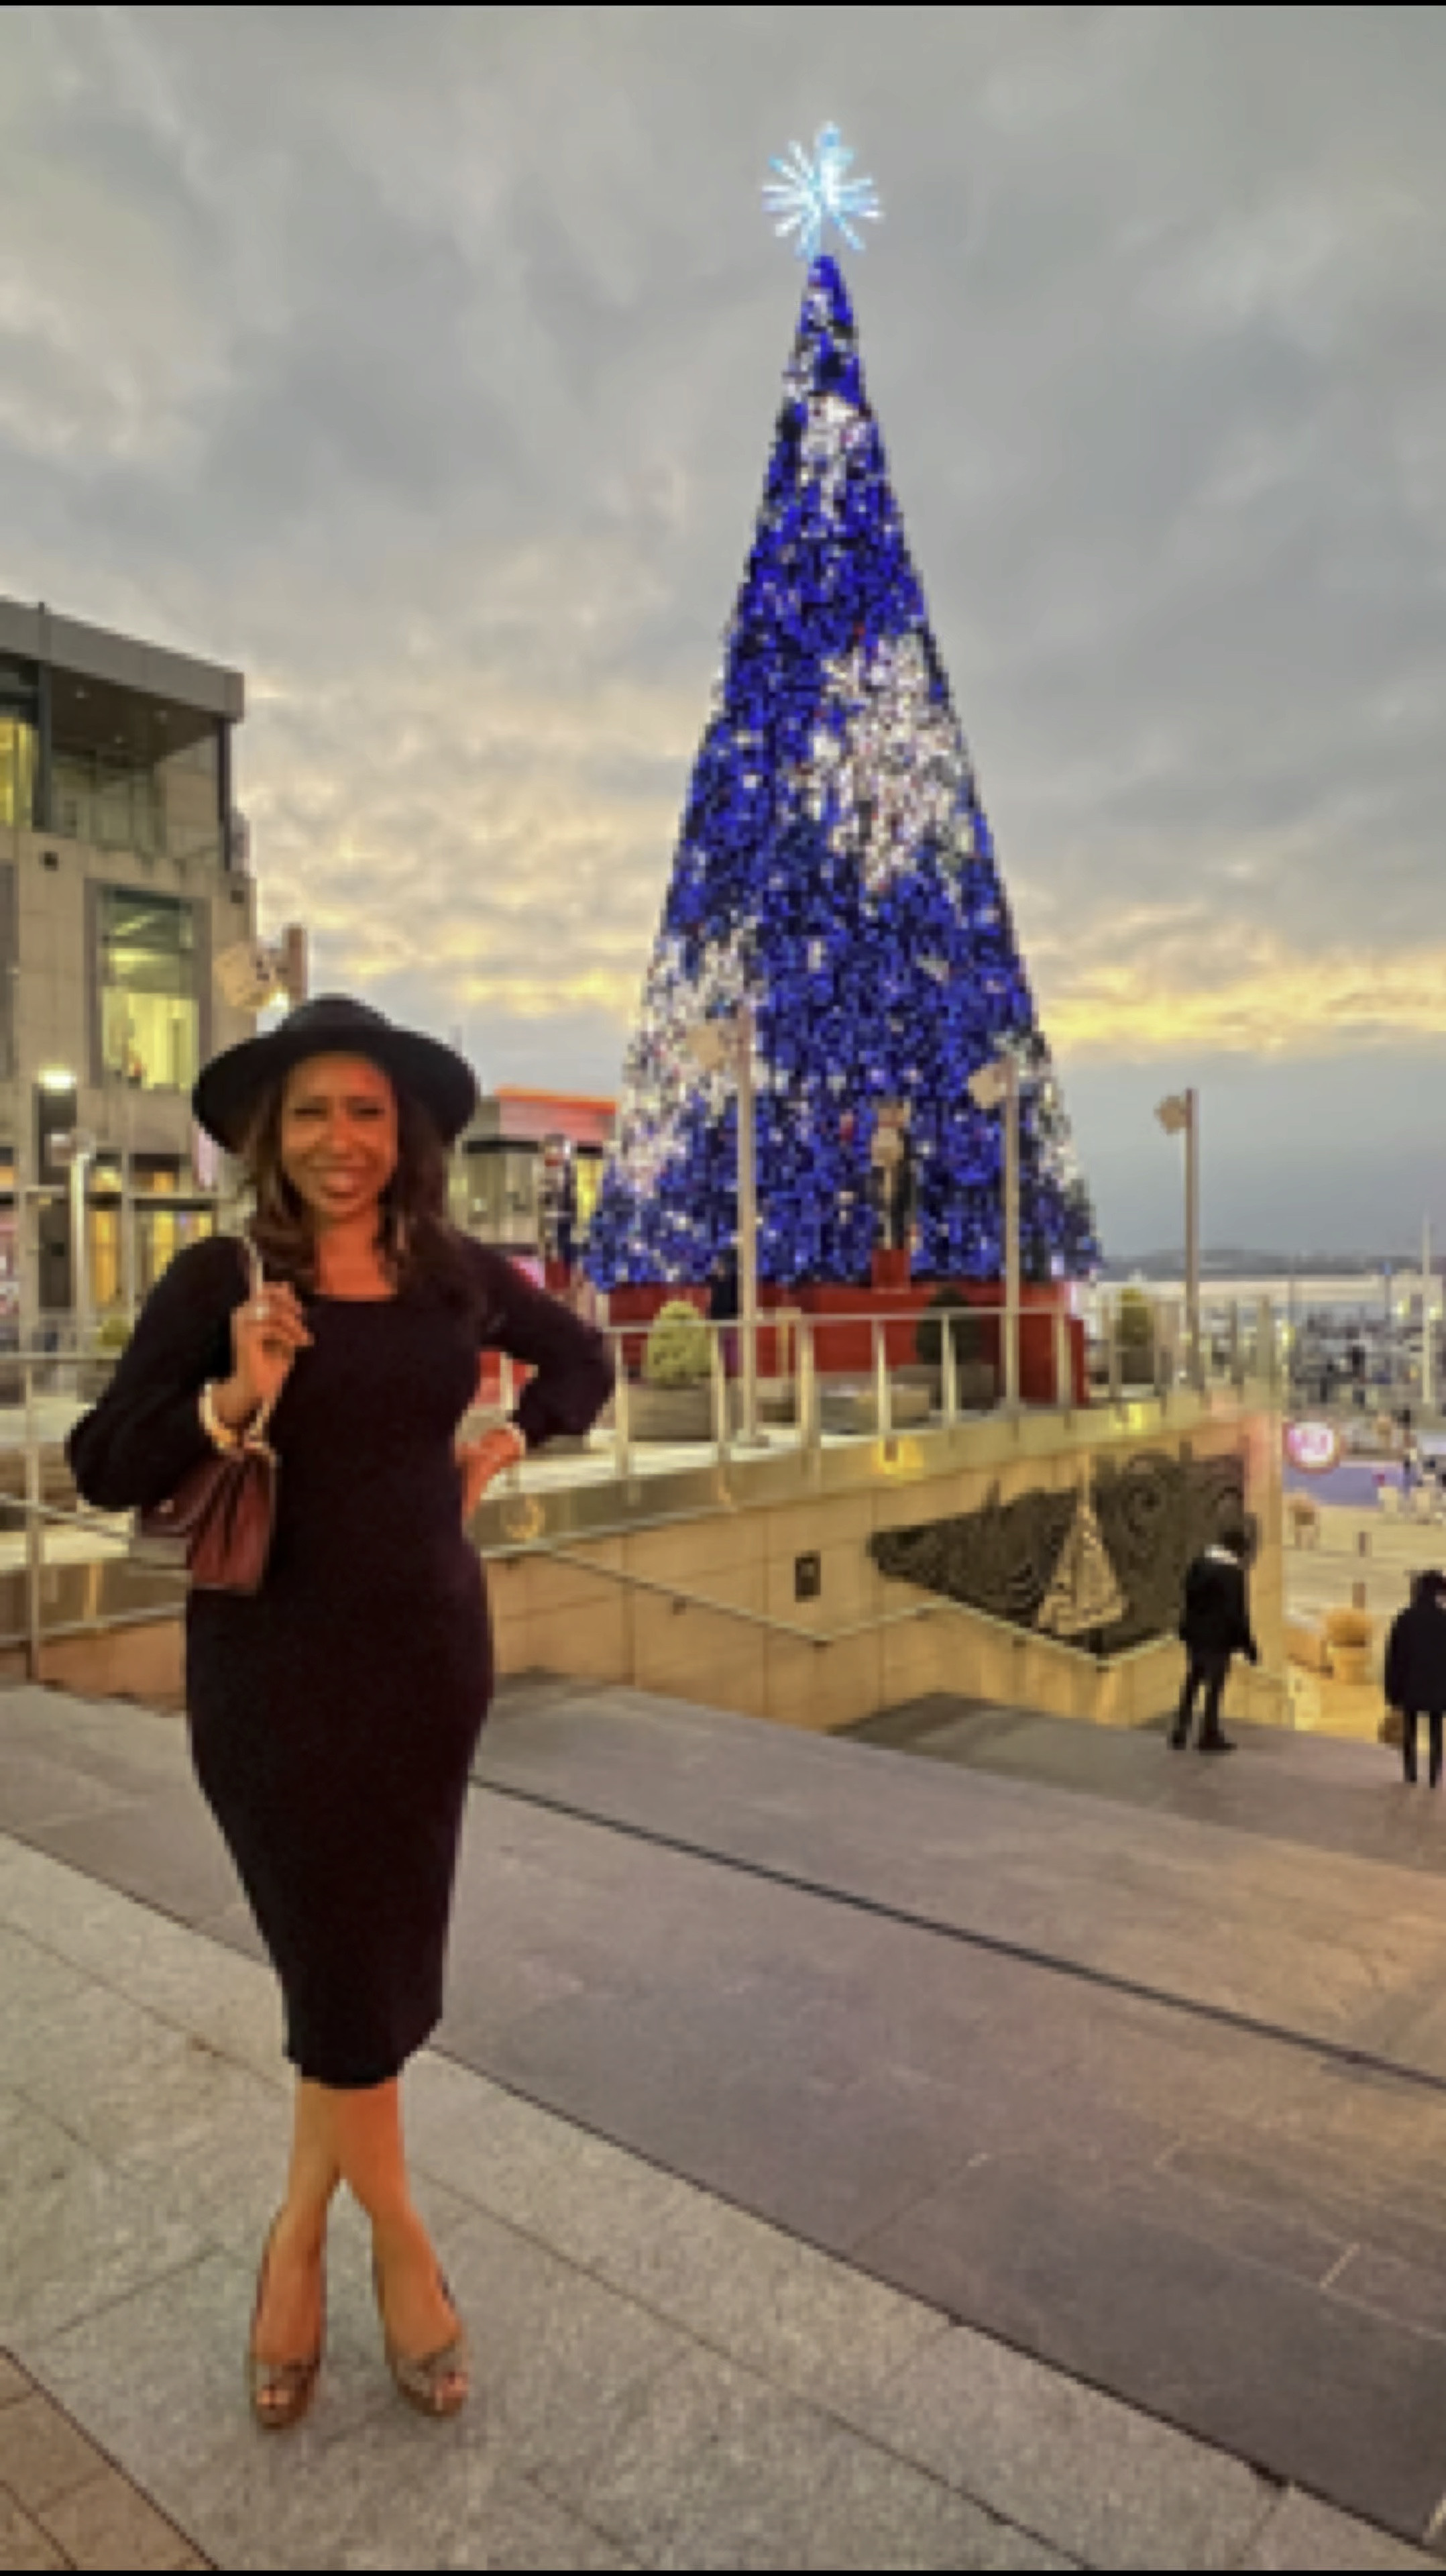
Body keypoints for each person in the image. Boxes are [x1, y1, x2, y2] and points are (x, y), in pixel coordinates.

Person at [66, 998, 613, 2432]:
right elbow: (99, 1466)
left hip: (427, 1665)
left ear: (408, 1131)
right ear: (269, 1133)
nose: (340, 1140)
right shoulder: (218, 1277)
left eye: (367, 1111)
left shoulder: (450, 1279)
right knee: (339, 1972)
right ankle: (396, 2242)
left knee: (357, 1976)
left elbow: (584, 1363)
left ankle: (300, 2235)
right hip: (267, 1674)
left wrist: (504, 1437)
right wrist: (230, 1397)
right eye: (311, 1112)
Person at [1170, 1521, 1259, 1755]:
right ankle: (1208, 1734)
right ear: (1236, 1550)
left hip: (1195, 1635)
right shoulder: (1232, 1574)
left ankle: (1180, 1730)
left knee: (1193, 1680)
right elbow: (1237, 1613)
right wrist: (1249, 1647)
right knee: (1214, 1687)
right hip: (1218, 1639)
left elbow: (1188, 1597)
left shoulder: (1199, 1564)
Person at [1384, 1570, 1446, 1788]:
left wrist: (1392, 1693)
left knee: (1409, 1730)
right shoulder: (1443, 1622)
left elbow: (1394, 1658)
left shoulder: (1405, 1619)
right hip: (1439, 1689)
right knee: (1436, 1732)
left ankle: (1410, 1774)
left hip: (1410, 1686)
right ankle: (1434, 1777)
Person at [707, 1241, 740, 1378]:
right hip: (718, 1316)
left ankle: (729, 1371)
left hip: (729, 1315)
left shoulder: (734, 1280)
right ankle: (721, 1370)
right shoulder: (714, 1279)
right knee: (720, 1344)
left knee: (729, 1344)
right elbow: (713, 1298)